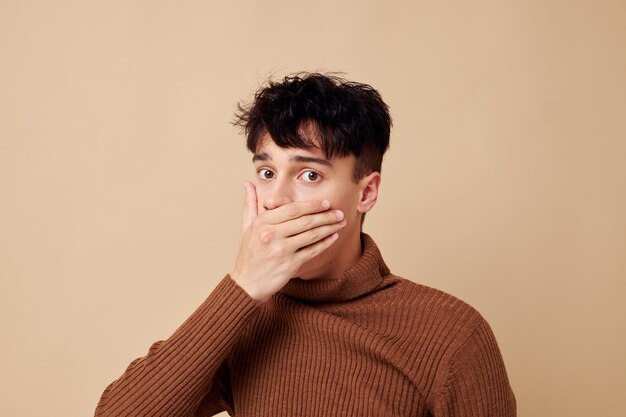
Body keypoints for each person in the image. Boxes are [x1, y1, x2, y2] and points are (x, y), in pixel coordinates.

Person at [94, 73, 516, 416]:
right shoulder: (245, 320)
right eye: (265, 173)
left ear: (366, 193)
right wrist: (241, 287)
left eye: (309, 175)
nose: (275, 199)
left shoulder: (451, 334)